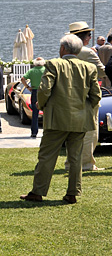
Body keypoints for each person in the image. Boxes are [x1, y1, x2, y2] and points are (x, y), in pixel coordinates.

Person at [20, 34, 100, 204]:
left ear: (63, 48)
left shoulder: (54, 64)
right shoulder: (89, 68)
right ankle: (72, 193)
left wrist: (41, 106)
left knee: (47, 156)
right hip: (80, 120)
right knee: (75, 158)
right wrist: (85, 109)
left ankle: (38, 191)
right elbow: (96, 95)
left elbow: (44, 89)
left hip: (57, 118)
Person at [68, 22, 106, 171]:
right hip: (88, 97)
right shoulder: (88, 52)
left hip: (71, 95)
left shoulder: (65, 51)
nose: (90, 37)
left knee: (73, 133)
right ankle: (86, 164)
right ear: (83, 37)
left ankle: (71, 163)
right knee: (90, 132)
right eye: (89, 35)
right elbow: (103, 71)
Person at [22, 57, 45, 139]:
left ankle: (34, 132)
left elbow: (23, 79)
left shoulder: (32, 70)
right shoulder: (45, 70)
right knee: (46, 112)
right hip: (43, 91)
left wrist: (27, 87)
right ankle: (46, 131)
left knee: (35, 112)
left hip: (34, 90)